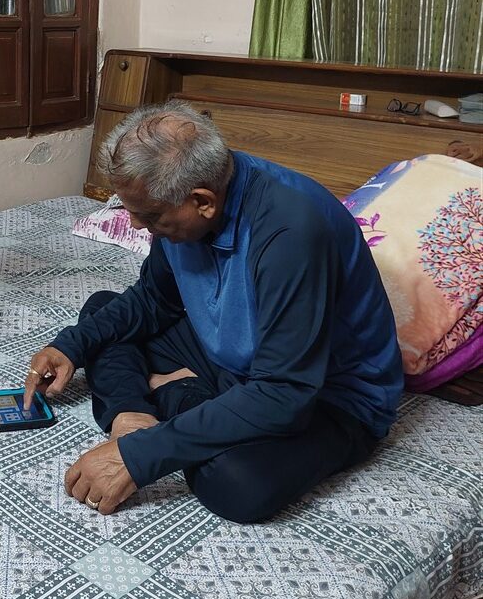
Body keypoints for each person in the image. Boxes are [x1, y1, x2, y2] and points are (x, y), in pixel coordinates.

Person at [25, 101, 403, 523]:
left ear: (202, 201)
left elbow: (285, 393)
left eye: (148, 216)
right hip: (237, 357)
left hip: (325, 394)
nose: (135, 226)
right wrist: (71, 346)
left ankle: (176, 397)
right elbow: (155, 299)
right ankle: (136, 413)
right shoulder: (190, 196)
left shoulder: (289, 231)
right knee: (103, 314)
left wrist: (139, 456)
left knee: (237, 483)